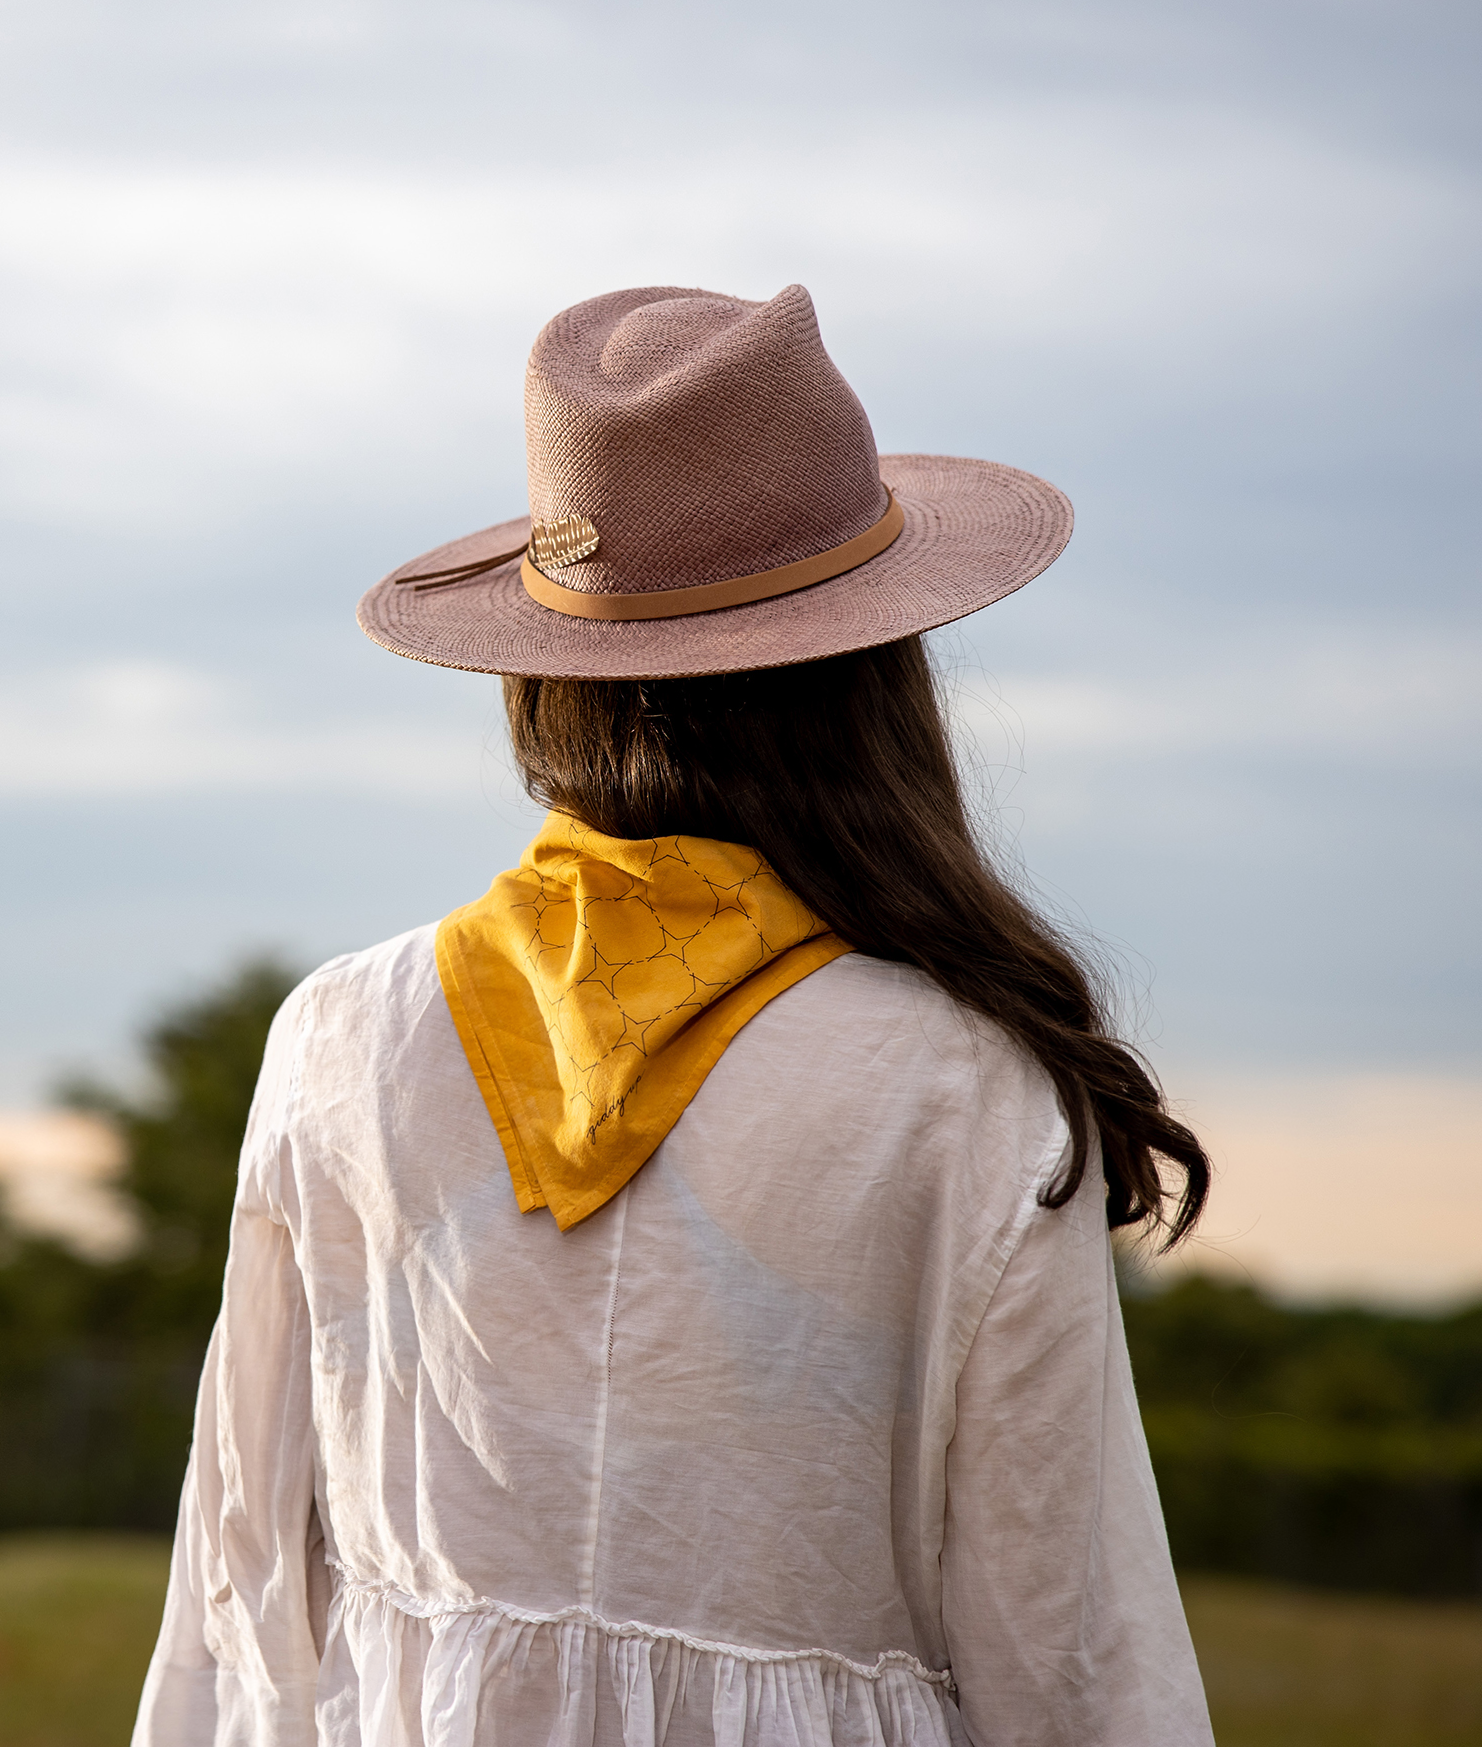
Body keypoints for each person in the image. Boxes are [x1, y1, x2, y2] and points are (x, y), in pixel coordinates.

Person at [132, 284, 1216, 1747]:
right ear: (872, 676)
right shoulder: (963, 1085)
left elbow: (242, 1577)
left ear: (543, 677)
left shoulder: (339, 1035)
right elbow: (1070, 1652)